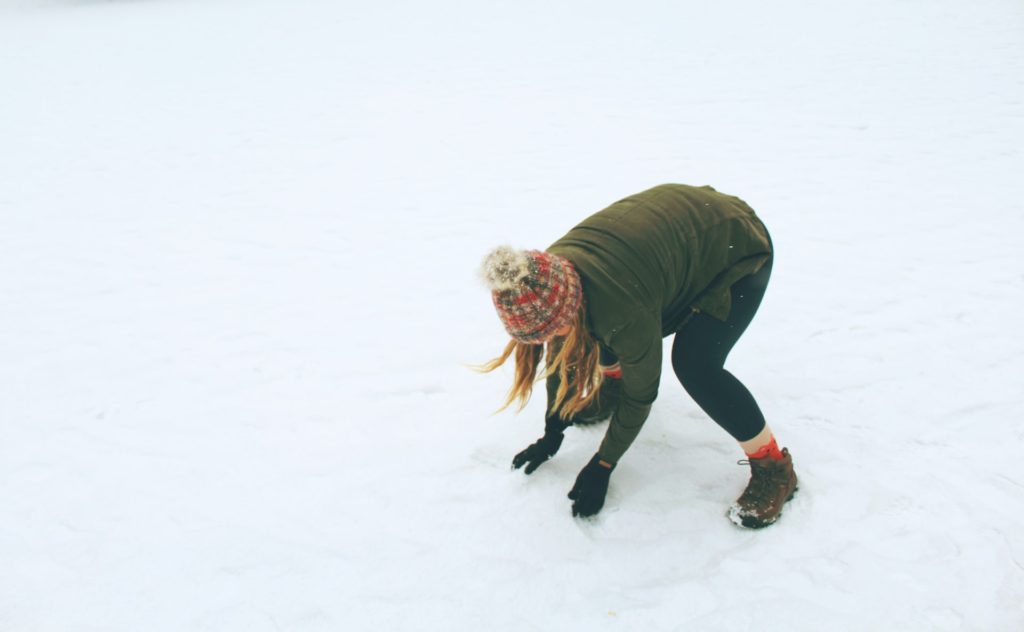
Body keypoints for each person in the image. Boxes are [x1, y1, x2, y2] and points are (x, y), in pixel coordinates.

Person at [479, 183, 798, 528]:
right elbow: (561, 349)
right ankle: (611, 386)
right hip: (677, 240)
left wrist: (604, 463)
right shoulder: (543, 276)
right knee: (587, 329)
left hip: (737, 247)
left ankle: (773, 467)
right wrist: (552, 429)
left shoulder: (620, 309)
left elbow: (642, 392)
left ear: (567, 304)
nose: (550, 340)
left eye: (551, 331)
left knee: (696, 364)